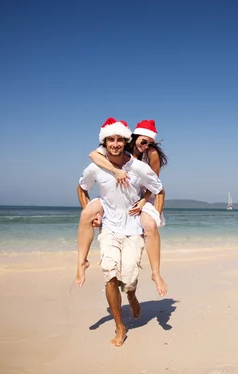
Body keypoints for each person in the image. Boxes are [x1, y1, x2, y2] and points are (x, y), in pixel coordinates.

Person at [77, 117, 164, 347]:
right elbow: (82, 186)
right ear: (105, 141)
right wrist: (92, 213)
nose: (114, 143)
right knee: (110, 275)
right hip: (109, 229)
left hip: (133, 227)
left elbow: (158, 189)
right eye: (110, 139)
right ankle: (119, 326)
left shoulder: (140, 166)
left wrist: (147, 206)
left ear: (125, 141)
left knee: (129, 279)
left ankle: (132, 294)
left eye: (118, 139)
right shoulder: (97, 164)